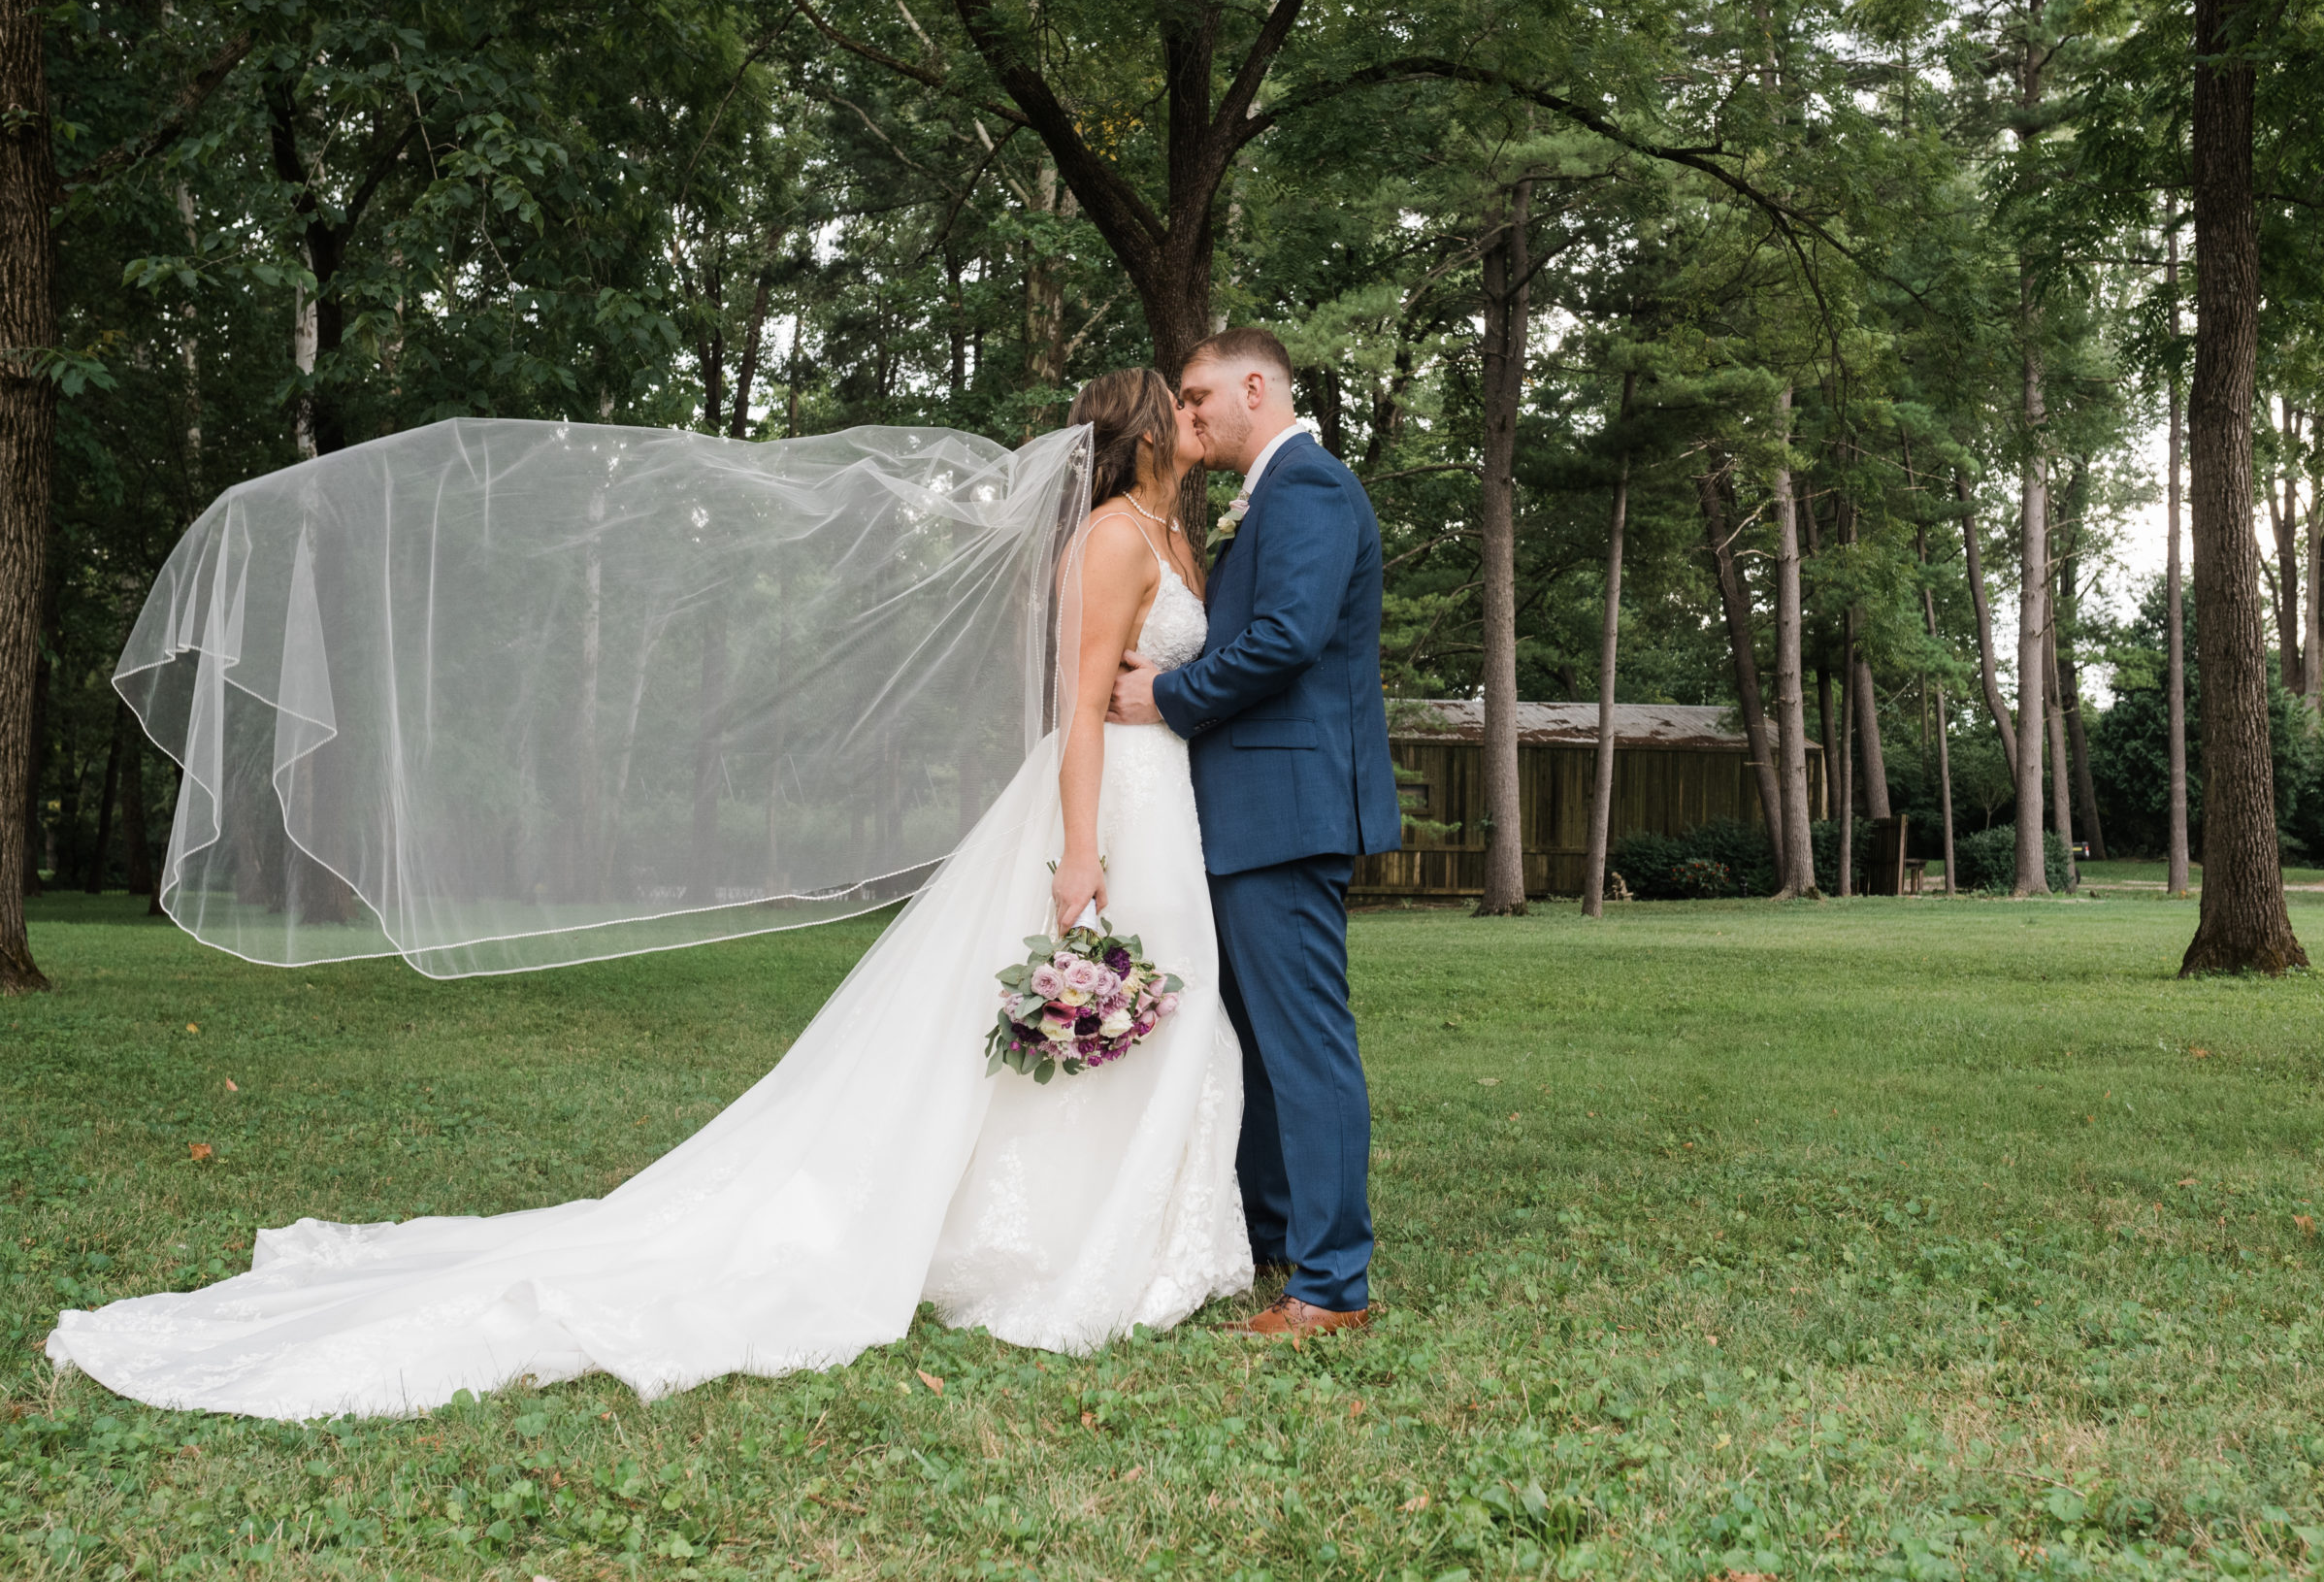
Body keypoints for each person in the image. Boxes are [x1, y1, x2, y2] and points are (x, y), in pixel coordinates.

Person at [48, 370, 1260, 1420]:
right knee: (1101, 1006)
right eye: (1180, 405)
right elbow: (1081, 700)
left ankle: (1122, 1225)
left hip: (1171, 802)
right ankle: (1052, 1239)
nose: (1193, 411)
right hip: (1109, 809)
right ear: (1147, 432)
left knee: (1165, 1012)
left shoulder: (1172, 536)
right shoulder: (1107, 536)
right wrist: (1079, 849)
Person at [1110, 328, 1400, 1338]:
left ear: (1252, 386)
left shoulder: (1309, 488)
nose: (1186, 419)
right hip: (1247, 816)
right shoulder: (1269, 497)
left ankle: (1330, 1286)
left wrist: (1166, 699)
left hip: (1284, 812)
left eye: (1196, 399)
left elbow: (1287, 637)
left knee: (1306, 1044)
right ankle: (1276, 1237)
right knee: (1264, 1047)